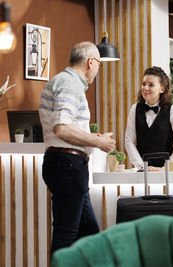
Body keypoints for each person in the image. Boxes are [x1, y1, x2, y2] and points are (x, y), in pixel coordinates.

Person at [39, 41, 116, 256]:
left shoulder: (60, 81)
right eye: (100, 65)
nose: (98, 71)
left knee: (89, 234)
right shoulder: (70, 84)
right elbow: (62, 128)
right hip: (68, 165)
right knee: (66, 234)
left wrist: (91, 137)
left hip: (65, 164)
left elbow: (63, 127)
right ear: (91, 62)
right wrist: (97, 142)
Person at [125, 66, 173, 170]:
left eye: (151, 85)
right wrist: (142, 166)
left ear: (162, 89)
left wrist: (166, 168)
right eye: (143, 84)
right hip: (142, 172)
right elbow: (129, 140)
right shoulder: (134, 108)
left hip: (166, 173)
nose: (145, 88)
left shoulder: (172, 110)